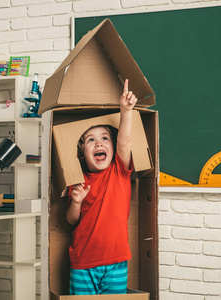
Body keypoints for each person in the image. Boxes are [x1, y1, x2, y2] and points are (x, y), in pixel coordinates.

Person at [66, 79, 137, 295]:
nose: (98, 143)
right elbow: (71, 220)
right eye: (90, 140)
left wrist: (125, 111)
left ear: (112, 148)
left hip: (116, 261)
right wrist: (76, 202)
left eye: (105, 138)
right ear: (81, 152)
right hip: (83, 261)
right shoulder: (78, 181)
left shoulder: (119, 172)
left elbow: (124, 142)